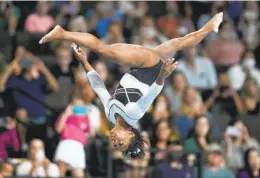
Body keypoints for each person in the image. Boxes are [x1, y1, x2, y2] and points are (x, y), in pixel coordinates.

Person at [39, 12, 223, 158]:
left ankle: (208, 28)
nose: (114, 142)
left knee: (180, 43)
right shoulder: (133, 114)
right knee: (105, 49)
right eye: (120, 143)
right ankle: (61, 33)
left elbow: (99, 88)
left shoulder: (112, 116)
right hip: (148, 66)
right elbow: (152, 94)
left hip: (141, 67)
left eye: (115, 146)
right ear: (130, 135)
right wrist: (163, 75)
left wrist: (84, 62)